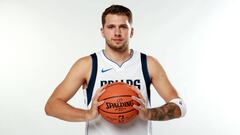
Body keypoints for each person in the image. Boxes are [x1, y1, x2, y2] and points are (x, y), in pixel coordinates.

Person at [45, 4, 186, 135]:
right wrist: (88, 114)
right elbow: (52, 106)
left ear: (132, 31)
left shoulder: (148, 63)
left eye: (123, 27)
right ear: (102, 32)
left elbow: (180, 106)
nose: (117, 32)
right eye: (111, 26)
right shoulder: (87, 64)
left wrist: (148, 113)